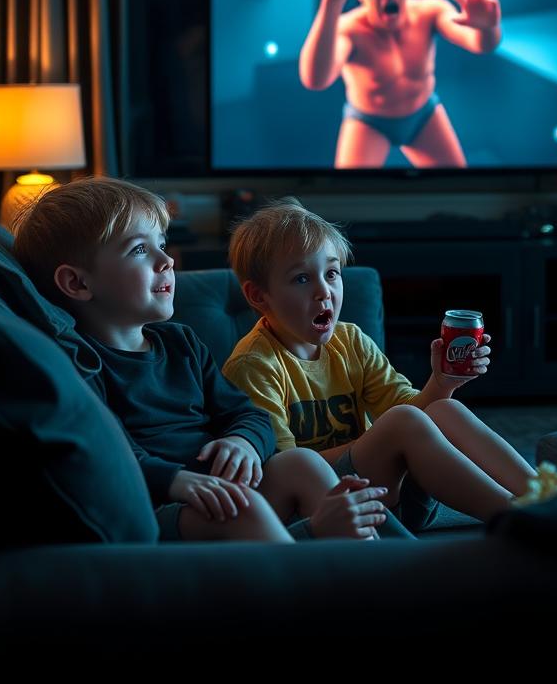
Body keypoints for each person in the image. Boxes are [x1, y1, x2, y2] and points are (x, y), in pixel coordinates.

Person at [13, 177, 405, 544]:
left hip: (219, 485)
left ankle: (381, 569)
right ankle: (310, 553)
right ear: (78, 283)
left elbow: (247, 413)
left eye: (161, 244)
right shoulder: (80, 363)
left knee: (302, 463)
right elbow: (107, 453)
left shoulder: (181, 343)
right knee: (242, 508)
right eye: (139, 249)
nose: (165, 261)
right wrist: (176, 481)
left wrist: (242, 440)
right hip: (158, 506)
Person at [223, 199, 537, 532]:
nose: (323, 292)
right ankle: (523, 519)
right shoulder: (254, 365)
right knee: (402, 421)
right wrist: (381, 439)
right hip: (328, 510)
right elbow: (283, 469)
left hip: (396, 496)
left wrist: (442, 381)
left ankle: (554, 495)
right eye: (301, 279)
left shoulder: (351, 341)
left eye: (331, 273)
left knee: (446, 410)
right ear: (259, 297)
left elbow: (412, 413)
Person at [298, 0, 502, 168]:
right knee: (351, 197)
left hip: (424, 115)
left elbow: (480, 44)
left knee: (457, 184)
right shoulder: (349, 29)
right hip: (368, 122)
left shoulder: (429, 11)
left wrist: (487, 27)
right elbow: (315, 79)